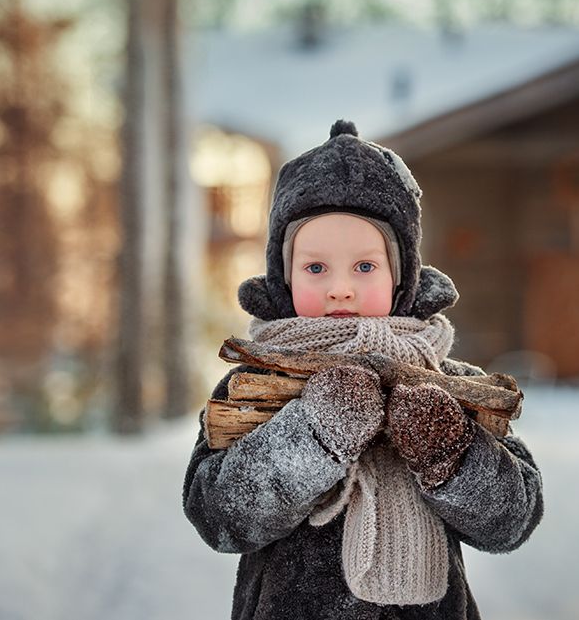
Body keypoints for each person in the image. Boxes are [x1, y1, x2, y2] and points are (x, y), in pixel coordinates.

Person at [182, 119, 543, 620]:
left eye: (365, 266)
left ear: (402, 276)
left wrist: (449, 453)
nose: (340, 288)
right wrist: (312, 435)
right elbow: (219, 517)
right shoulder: (257, 384)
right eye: (315, 267)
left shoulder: (445, 380)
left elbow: (511, 520)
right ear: (283, 278)